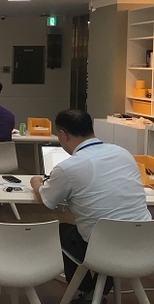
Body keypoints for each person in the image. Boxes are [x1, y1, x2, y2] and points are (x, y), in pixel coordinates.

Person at [30, 109, 151, 304]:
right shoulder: (123, 153)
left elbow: (47, 201)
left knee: (59, 231)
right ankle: (96, 292)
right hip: (145, 246)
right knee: (110, 231)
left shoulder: (68, 167)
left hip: (103, 249)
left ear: (62, 134)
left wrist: (35, 182)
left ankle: (88, 290)